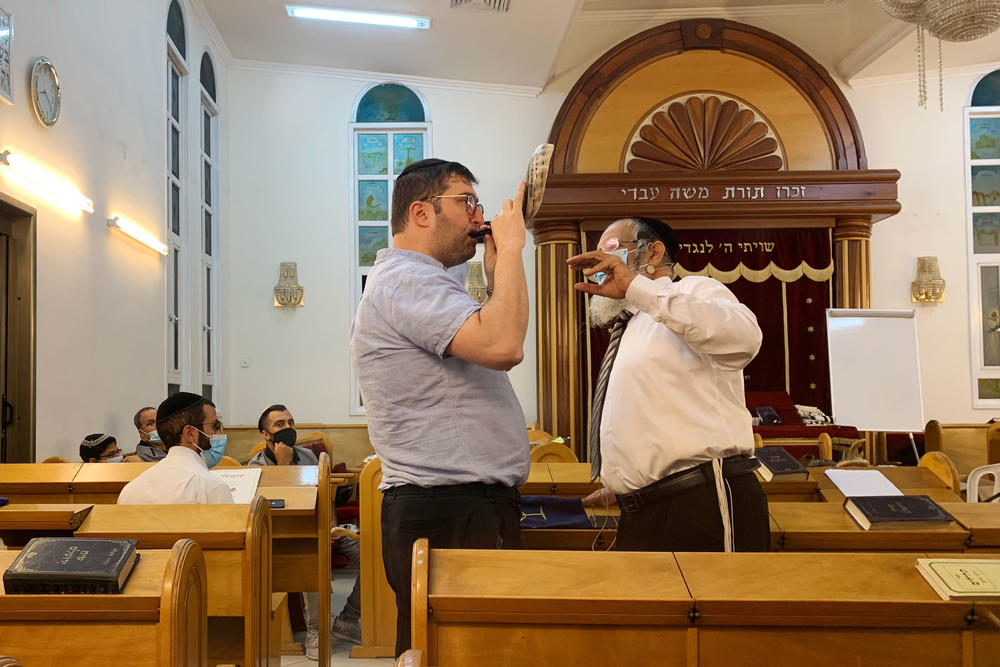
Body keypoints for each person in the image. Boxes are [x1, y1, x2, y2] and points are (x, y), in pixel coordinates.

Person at [349, 158, 530, 656]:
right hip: (451, 509)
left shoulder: (420, 280)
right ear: (422, 212)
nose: (479, 216)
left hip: (458, 506)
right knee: (468, 655)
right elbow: (503, 346)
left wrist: (498, 275)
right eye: (467, 201)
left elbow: (497, 342)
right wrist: (512, 248)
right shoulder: (409, 280)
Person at [567, 216, 768, 553]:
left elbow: (745, 339)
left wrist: (635, 287)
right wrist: (627, 479)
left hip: (700, 501)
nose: (602, 263)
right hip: (642, 508)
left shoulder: (693, 292)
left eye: (612, 249)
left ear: (654, 253)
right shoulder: (631, 326)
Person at [250, 404, 361, 659]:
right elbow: (275, 508)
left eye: (291, 422)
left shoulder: (310, 457)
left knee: (375, 555)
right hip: (285, 536)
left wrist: (332, 523)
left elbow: (325, 497)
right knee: (311, 559)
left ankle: (347, 618)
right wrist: (283, 466)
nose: (288, 428)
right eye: (280, 425)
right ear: (265, 434)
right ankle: (315, 632)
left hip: (320, 527)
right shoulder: (256, 466)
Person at [117, 392, 233, 505]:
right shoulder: (212, 488)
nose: (220, 433)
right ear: (190, 433)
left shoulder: (129, 491)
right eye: (215, 426)